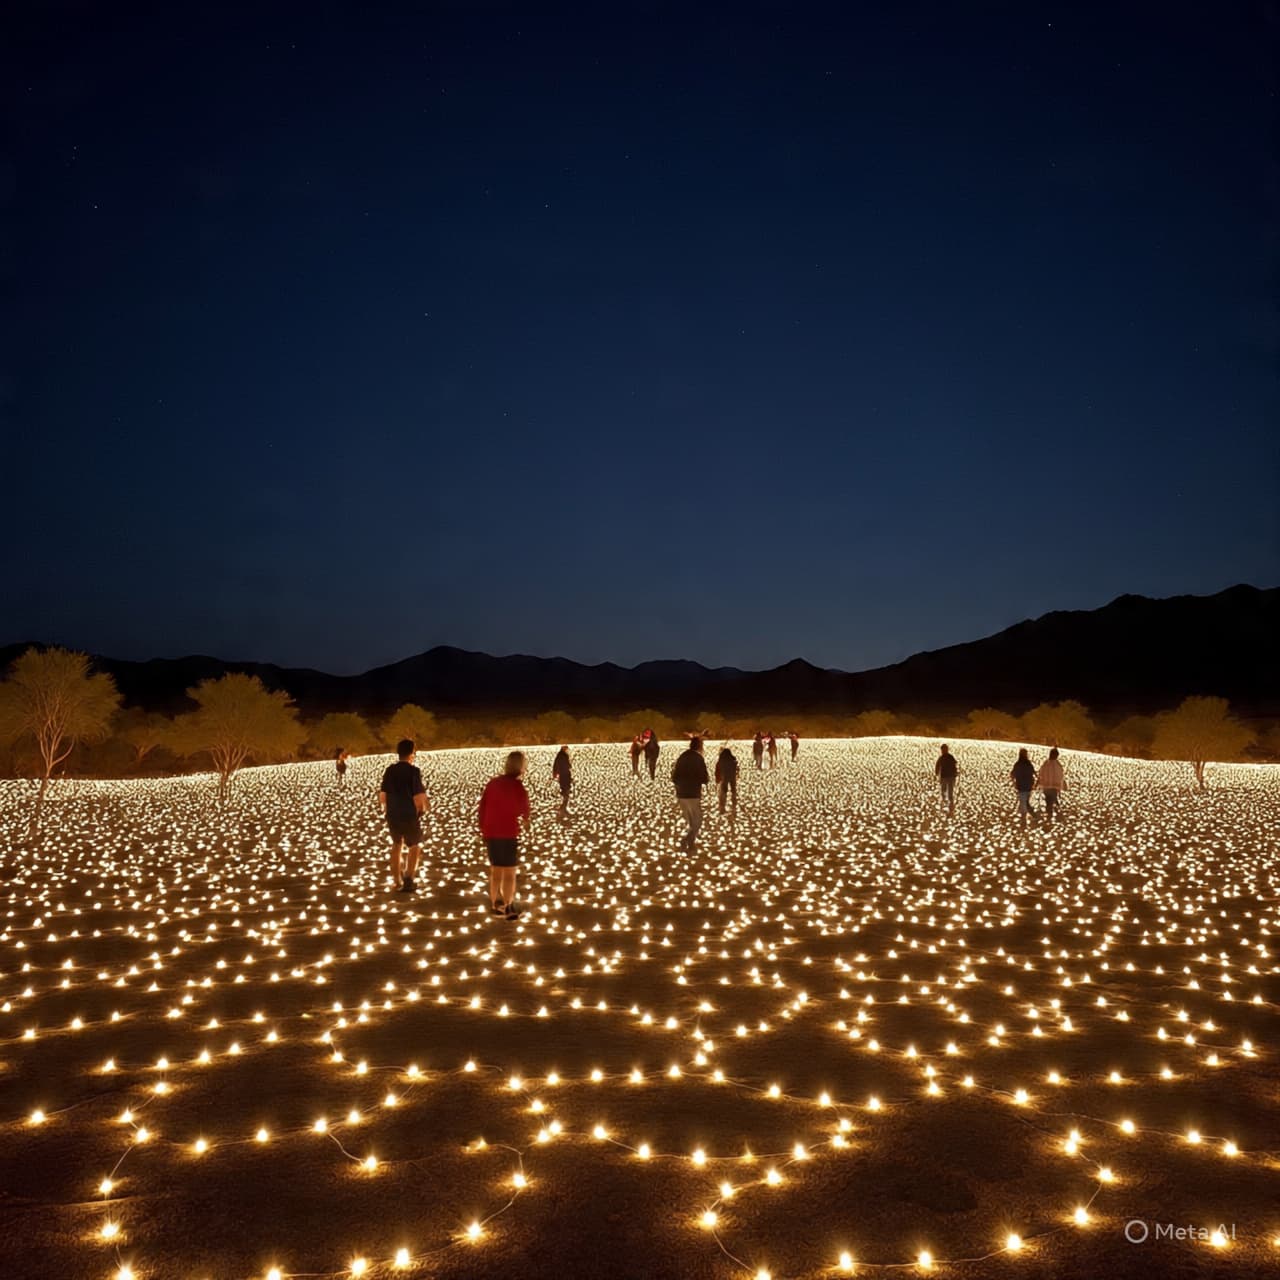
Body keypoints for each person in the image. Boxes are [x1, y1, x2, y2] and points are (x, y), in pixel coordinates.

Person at [478, 751, 531, 919]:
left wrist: (483, 829)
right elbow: (524, 810)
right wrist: (526, 820)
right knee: (509, 872)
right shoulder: (518, 787)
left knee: (496, 870)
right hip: (508, 832)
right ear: (521, 767)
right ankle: (508, 905)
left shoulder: (493, 783)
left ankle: (495, 903)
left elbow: (482, 807)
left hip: (491, 832)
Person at [379, 739, 428, 892]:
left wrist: (385, 809)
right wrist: (422, 809)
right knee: (414, 846)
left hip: (393, 813)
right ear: (412, 752)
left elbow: (383, 794)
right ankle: (409, 877)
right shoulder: (413, 771)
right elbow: (418, 795)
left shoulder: (390, 770)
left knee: (396, 845)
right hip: (408, 813)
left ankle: (396, 880)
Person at [672, 736, 710, 851]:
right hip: (693, 793)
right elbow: (704, 777)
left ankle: (690, 843)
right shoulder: (698, 758)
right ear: (699, 746)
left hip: (681, 793)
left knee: (690, 821)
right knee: (697, 821)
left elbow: (674, 776)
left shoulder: (682, 757)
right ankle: (687, 840)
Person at [1036, 747, 1066, 825]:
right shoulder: (1058, 765)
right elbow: (1061, 775)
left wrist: (1038, 783)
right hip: (1054, 788)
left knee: (1048, 801)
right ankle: (1050, 816)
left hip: (1046, 787)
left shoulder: (1045, 763)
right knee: (1050, 802)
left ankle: (1049, 815)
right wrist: (1062, 786)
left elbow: (1041, 774)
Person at [1010, 748, 1037, 829]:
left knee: (1023, 802)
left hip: (1021, 786)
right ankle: (1032, 815)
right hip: (1028, 786)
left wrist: (1014, 782)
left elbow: (1012, 775)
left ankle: (1024, 820)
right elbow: (1034, 773)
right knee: (1026, 801)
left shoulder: (1017, 764)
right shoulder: (1028, 764)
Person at [934, 743, 958, 816]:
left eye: (945, 749)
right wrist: (936, 773)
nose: (943, 751)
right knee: (943, 790)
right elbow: (937, 766)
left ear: (947, 750)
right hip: (944, 777)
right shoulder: (941, 758)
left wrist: (955, 773)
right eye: (942, 750)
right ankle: (945, 803)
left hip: (950, 777)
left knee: (950, 791)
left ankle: (950, 802)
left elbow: (955, 765)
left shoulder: (950, 757)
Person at [715, 743, 739, 814]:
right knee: (733, 791)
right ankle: (734, 805)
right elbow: (737, 769)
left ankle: (722, 807)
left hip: (724, 778)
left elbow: (717, 770)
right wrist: (737, 774)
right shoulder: (733, 760)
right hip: (732, 777)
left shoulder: (720, 761)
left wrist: (717, 778)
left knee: (723, 792)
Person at [552, 744, 572, 819]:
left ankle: (564, 804)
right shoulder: (563, 756)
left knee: (565, 788)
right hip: (565, 775)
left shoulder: (560, 756)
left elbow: (555, 765)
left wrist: (555, 773)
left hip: (563, 775)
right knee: (566, 789)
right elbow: (567, 766)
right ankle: (564, 801)